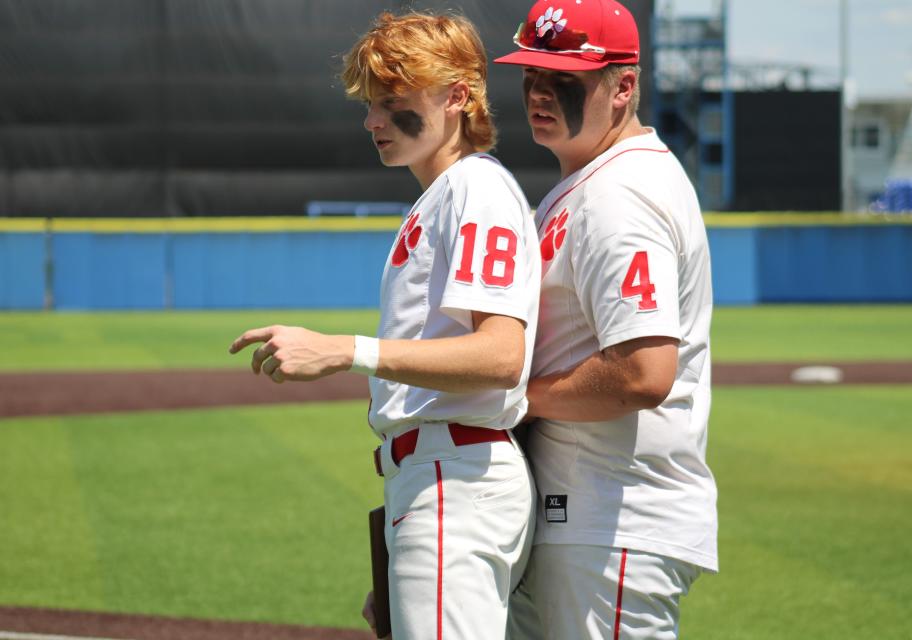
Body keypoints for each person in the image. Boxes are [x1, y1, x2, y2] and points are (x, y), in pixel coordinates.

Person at [229, 11, 541, 640]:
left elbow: (502, 354)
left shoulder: (474, 187)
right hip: (436, 481)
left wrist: (345, 350)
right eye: (370, 103)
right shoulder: (445, 194)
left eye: (393, 101)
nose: (372, 119)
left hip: (455, 475)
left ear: (458, 97)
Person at [494, 1, 718, 638]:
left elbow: (644, 373)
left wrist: (513, 399)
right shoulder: (594, 181)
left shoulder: (620, 196)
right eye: (531, 74)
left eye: (563, 78)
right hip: (584, 516)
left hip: (614, 521)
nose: (538, 92)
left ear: (623, 86)